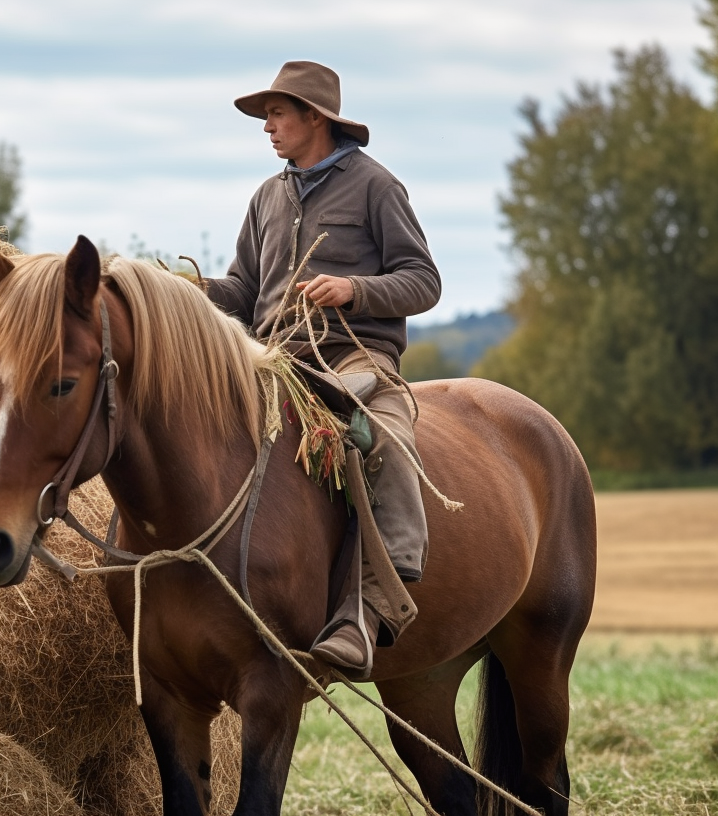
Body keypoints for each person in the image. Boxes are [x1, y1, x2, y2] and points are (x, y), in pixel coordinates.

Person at [205, 60, 441, 676]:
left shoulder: (376, 187)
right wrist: (185, 292)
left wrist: (354, 291)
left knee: (380, 432)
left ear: (315, 117)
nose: (267, 128)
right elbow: (242, 289)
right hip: (273, 356)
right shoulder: (266, 196)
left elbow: (424, 282)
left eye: (277, 114)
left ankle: (375, 603)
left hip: (352, 355)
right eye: (266, 117)